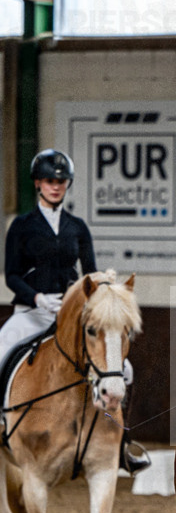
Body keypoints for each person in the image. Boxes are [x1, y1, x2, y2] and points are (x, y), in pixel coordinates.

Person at [0, 148, 149, 475]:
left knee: (123, 371)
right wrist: (37, 298)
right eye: (50, 181)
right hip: (33, 310)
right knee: (2, 346)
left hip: (72, 316)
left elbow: (91, 274)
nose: (55, 186)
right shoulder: (22, 226)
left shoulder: (77, 227)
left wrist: (99, 296)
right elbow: (10, 274)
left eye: (61, 181)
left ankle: (121, 442)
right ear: (38, 183)